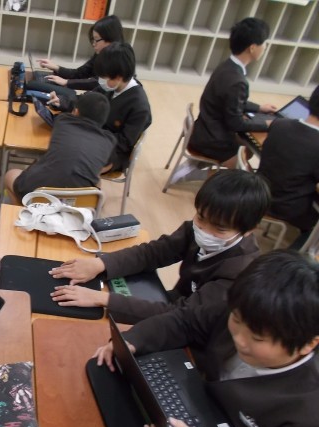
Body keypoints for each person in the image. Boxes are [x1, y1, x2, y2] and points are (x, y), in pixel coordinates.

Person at [94, 250, 319, 427]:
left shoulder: (310, 411)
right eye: (236, 320)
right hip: (191, 406)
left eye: (257, 338)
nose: (240, 339)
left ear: (307, 344)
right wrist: (134, 340)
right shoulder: (249, 313)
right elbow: (186, 320)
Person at [50, 170, 270, 324]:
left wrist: (102, 299)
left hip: (192, 330)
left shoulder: (239, 273)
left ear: (249, 230)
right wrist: (101, 263)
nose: (204, 229)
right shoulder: (196, 229)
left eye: (219, 229)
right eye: (200, 217)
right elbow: (154, 253)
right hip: (173, 305)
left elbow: (183, 315)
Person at [184, 17, 277, 175]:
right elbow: (236, 123)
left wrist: (259, 108)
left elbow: (232, 102)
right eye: (264, 43)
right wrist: (267, 124)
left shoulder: (226, 66)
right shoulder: (238, 81)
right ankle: (212, 176)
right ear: (252, 48)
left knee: (247, 148)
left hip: (204, 130)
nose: (265, 47)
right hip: (213, 141)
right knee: (248, 169)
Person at [49, 42, 152, 173]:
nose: (100, 80)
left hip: (112, 151)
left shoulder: (140, 107)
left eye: (104, 77)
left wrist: (89, 136)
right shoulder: (109, 87)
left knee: (70, 157)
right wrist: (63, 102)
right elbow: (86, 100)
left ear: (118, 77)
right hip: (92, 135)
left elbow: (124, 143)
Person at [4, 92, 116, 204]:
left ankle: (21, 209)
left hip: (41, 193)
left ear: (76, 111)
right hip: (79, 202)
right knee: (99, 188)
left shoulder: (63, 121)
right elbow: (109, 165)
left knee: (11, 174)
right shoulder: (109, 140)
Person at [257, 85, 319, 249]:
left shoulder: (279, 124)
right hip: (284, 207)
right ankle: (292, 256)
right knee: (315, 225)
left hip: (258, 192)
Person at [28, 15, 124, 94]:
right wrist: (56, 67)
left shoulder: (119, 61)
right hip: (91, 98)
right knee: (37, 83)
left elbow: (98, 82)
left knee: (33, 85)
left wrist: (67, 82)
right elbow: (80, 73)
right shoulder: (100, 54)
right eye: (93, 40)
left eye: (96, 40)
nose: (93, 44)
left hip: (98, 103)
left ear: (110, 39)